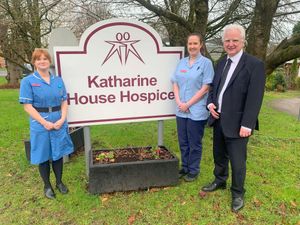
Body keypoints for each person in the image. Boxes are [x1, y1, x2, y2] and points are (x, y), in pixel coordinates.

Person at [201, 24, 266, 212]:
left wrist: (248, 123)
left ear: (243, 41)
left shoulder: (254, 65)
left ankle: (238, 192)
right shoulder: (222, 62)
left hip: (239, 124)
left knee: (238, 162)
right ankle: (220, 180)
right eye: (227, 40)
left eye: (234, 40)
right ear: (223, 42)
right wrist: (210, 103)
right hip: (219, 118)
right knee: (219, 155)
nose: (230, 44)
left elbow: (255, 98)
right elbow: (214, 88)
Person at [19, 48, 74, 199]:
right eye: (38, 59)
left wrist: (62, 118)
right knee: (43, 155)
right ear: (34, 62)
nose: (42, 61)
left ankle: (59, 182)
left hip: (58, 119)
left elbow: (64, 100)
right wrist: (44, 122)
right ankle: (47, 186)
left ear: (49, 61)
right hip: (40, 121)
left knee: (58, 153)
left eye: (45, 58)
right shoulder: (28, 81)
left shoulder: (58, 80)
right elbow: (27, 106)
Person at [171, 33, 214, 182]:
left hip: (196, 110)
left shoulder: (206, 63)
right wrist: (179, 102)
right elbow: (175, 82)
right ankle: (185, 167)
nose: (192, 46)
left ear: (201, 45)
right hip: (181, 109)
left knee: (194, 142)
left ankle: (194, 170)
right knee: (183, 141)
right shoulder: (182, 62)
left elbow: (206, 87)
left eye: (195, 43)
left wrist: (188, 104)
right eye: (190, 44)